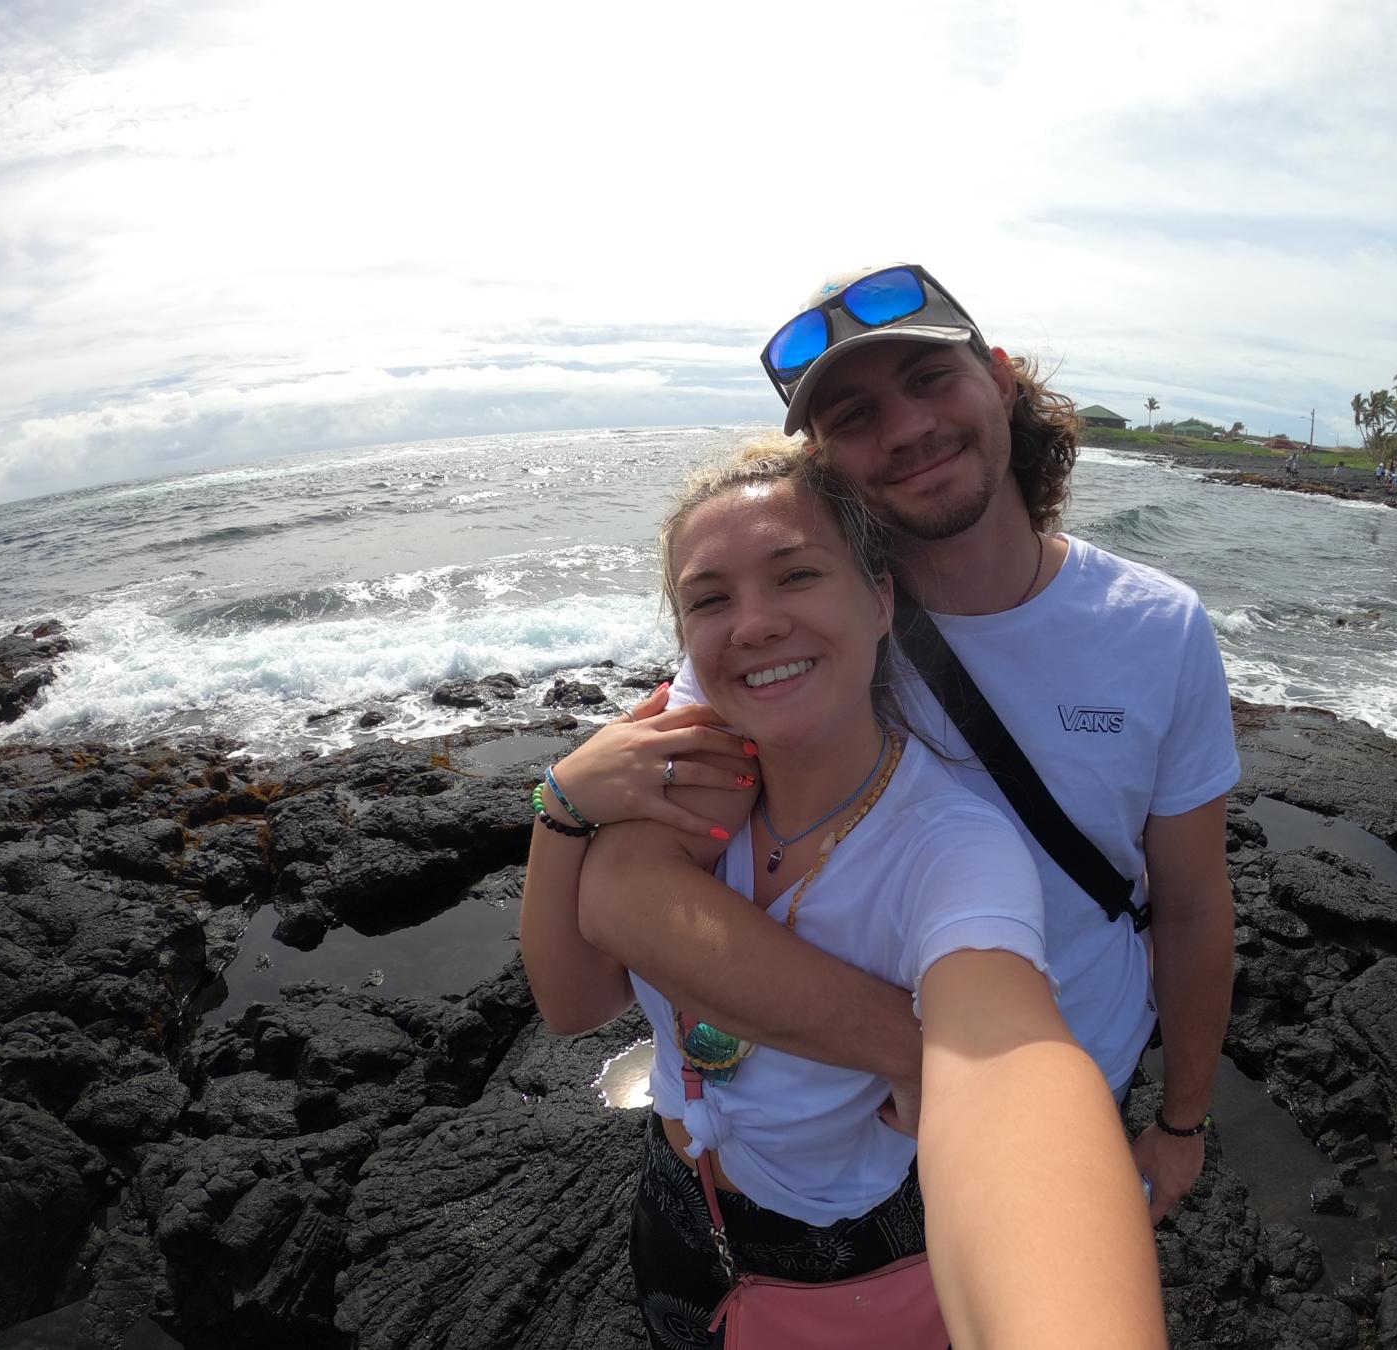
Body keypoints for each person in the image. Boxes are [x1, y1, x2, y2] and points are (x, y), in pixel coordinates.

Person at [577, 261, 1241, 1234]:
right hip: (846, 1129)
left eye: (930, 381)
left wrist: (1183, 1120)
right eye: (852, 417)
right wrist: (917, 1048)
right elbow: (633, 892)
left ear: (1001, 379)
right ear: (820, 462)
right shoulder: (806, 634)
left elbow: (1190, 906)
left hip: (1063, 1089)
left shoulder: (1158, 628)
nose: (905, 429)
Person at [522, 444, 1166, 1347]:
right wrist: (560, 805)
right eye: (710, 598)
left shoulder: (953, 849)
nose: (752, 624)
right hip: (675, 1202)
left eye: (797, 576)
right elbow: (573, 1000)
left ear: (881, 602)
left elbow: (1008, 1068)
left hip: (856, 1255)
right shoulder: (686, 796)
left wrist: (930, 1058)